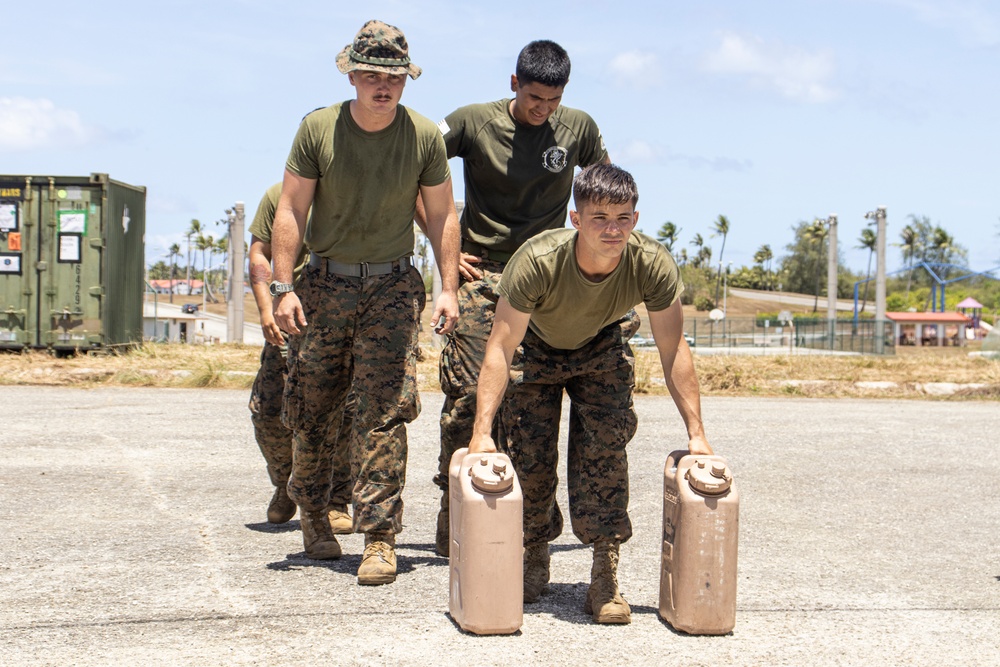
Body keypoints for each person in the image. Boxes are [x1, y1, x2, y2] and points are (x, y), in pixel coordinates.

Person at [467, 163, 712, 624]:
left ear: (635, 220)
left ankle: (604, 572)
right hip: (536, 346)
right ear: (576, 220)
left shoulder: (651, 263)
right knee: (529, 455)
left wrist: (697, 433)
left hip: (602, 344)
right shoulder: (538, 260)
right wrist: (482, 432)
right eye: (599, 217)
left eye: (623, 218)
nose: (612, 229)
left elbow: (673, 346)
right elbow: (501, 345)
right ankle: (534, 554)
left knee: (605, 452)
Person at [270, 19, 460, 586]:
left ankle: (379, 537)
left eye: (394, 77)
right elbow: (290, 209)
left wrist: (448, 287)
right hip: (324, 286)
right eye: (373, 75)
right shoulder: (318, 129)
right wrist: (283, 288)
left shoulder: (424, 137)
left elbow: (444, 215)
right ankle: (313, 517)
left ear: (406, 80)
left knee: (385, 412)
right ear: (352, 74)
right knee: (314, 408)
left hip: (391, 289)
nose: (384, 86)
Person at [426, 39, 609, 557]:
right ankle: (453, 510)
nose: (542, 110)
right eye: (533, 99)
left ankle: (525, 528)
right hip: (482, 274)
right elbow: (414, 170)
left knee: (530, 403)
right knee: (467, 398)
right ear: (513, 84)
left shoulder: (580, 128)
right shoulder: (469, 122)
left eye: (552, 101)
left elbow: (603, 190)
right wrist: (444, 246)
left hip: (546, 279)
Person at [246, 182, 353, 534]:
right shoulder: (279, 194)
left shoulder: (354, 192)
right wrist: (265, 309)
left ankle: (335, 499)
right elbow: (259, 252)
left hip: (334, 317)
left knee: (341, 413)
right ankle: (285, 483)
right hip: (287, 317)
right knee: (268, 410)